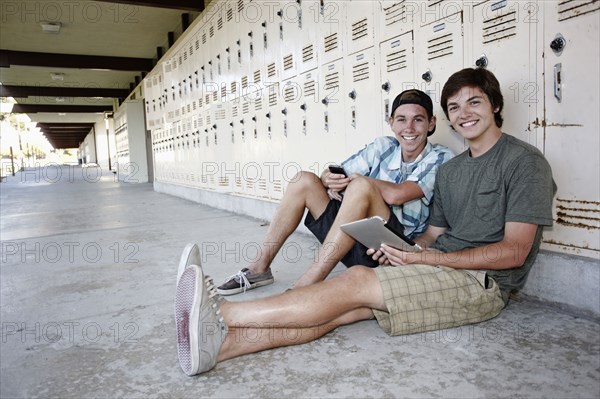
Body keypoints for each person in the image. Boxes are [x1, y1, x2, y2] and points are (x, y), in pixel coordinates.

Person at [174, 67, 556, 376]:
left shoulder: (524, 162)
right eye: (455, 107)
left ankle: (220, 315)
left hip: (483, 286)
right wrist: (405, 251)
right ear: (449, 118)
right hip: (436, 266)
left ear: (495, 106)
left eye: (475, 102)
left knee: (354, 282)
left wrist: (425, 259)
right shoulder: (453, 171)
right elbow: (434, 234)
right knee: (338, 312)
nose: (465, 113)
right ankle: (219, 347)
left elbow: (514, 252)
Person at [216, 89, 454, 295]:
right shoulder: (383, 146)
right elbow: (334, 174)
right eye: (401, 120)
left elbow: (397, 195)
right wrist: (327, 178)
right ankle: (259, 268)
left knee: (362, 186)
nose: (409, 128)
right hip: (356, 237)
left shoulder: (441, 156)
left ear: (431, 123)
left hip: (390, 250)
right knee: (304, 180)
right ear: (391, 122)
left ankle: (305, 287)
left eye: (418, 120)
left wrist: (357, 181)